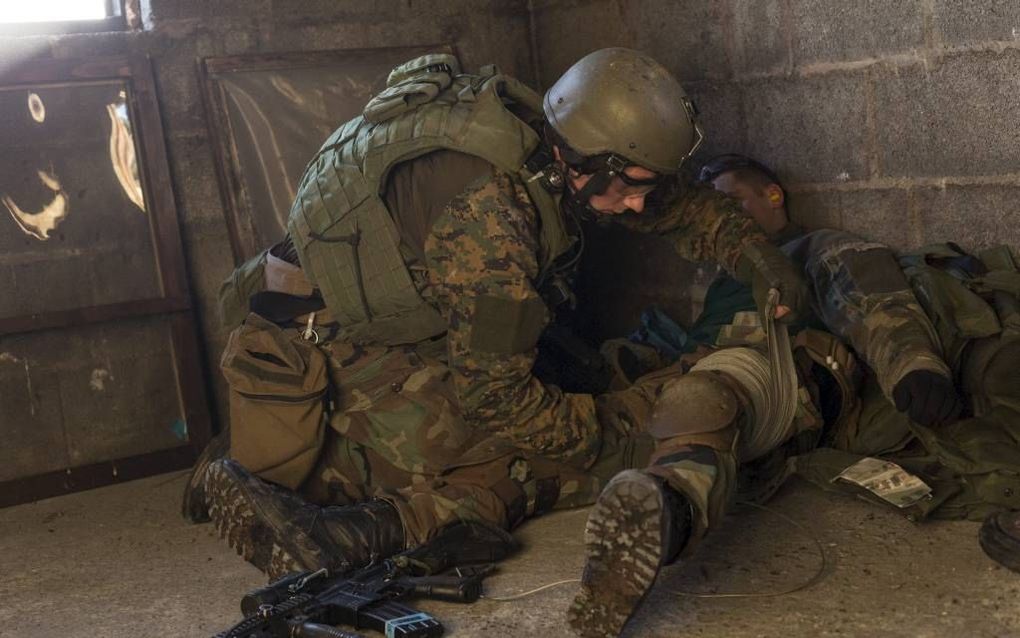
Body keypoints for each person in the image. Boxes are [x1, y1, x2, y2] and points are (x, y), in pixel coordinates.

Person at [184, 50, 812, 585]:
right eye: (632, 184)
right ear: (585, 160)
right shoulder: (490, 213)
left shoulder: (556, 142)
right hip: (331, 348)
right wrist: (614, 434)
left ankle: (280, 446)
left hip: (375, 323)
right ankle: (312, 475)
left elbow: (683, 209)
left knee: (573, 385)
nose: (639, 202)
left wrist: (759, 260)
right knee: (526, 455)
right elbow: (499, 398)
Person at [568, 152, 1020, 637]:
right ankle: (486, 510)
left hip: (779, 369)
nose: (725, 222)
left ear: (773, 196)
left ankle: (668, 509)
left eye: (733, 203)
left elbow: (868, 290)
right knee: (582, 441)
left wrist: (913, 363)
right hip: (702, 384)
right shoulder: (723, 283)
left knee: (706, 396)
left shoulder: (808, 247)